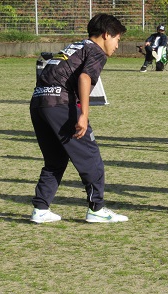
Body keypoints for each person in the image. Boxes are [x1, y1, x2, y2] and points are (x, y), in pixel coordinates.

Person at [29, 13, 129, 224]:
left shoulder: (76, 46)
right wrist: (84, 114)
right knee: (91, 156)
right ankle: (97, 209)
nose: (117, 46)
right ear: (106, 34)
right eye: (118, 39)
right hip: (60, 105)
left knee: (55, 159)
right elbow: (85, 77)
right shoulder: (96, 51)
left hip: (39, 102)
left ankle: (40, 209)